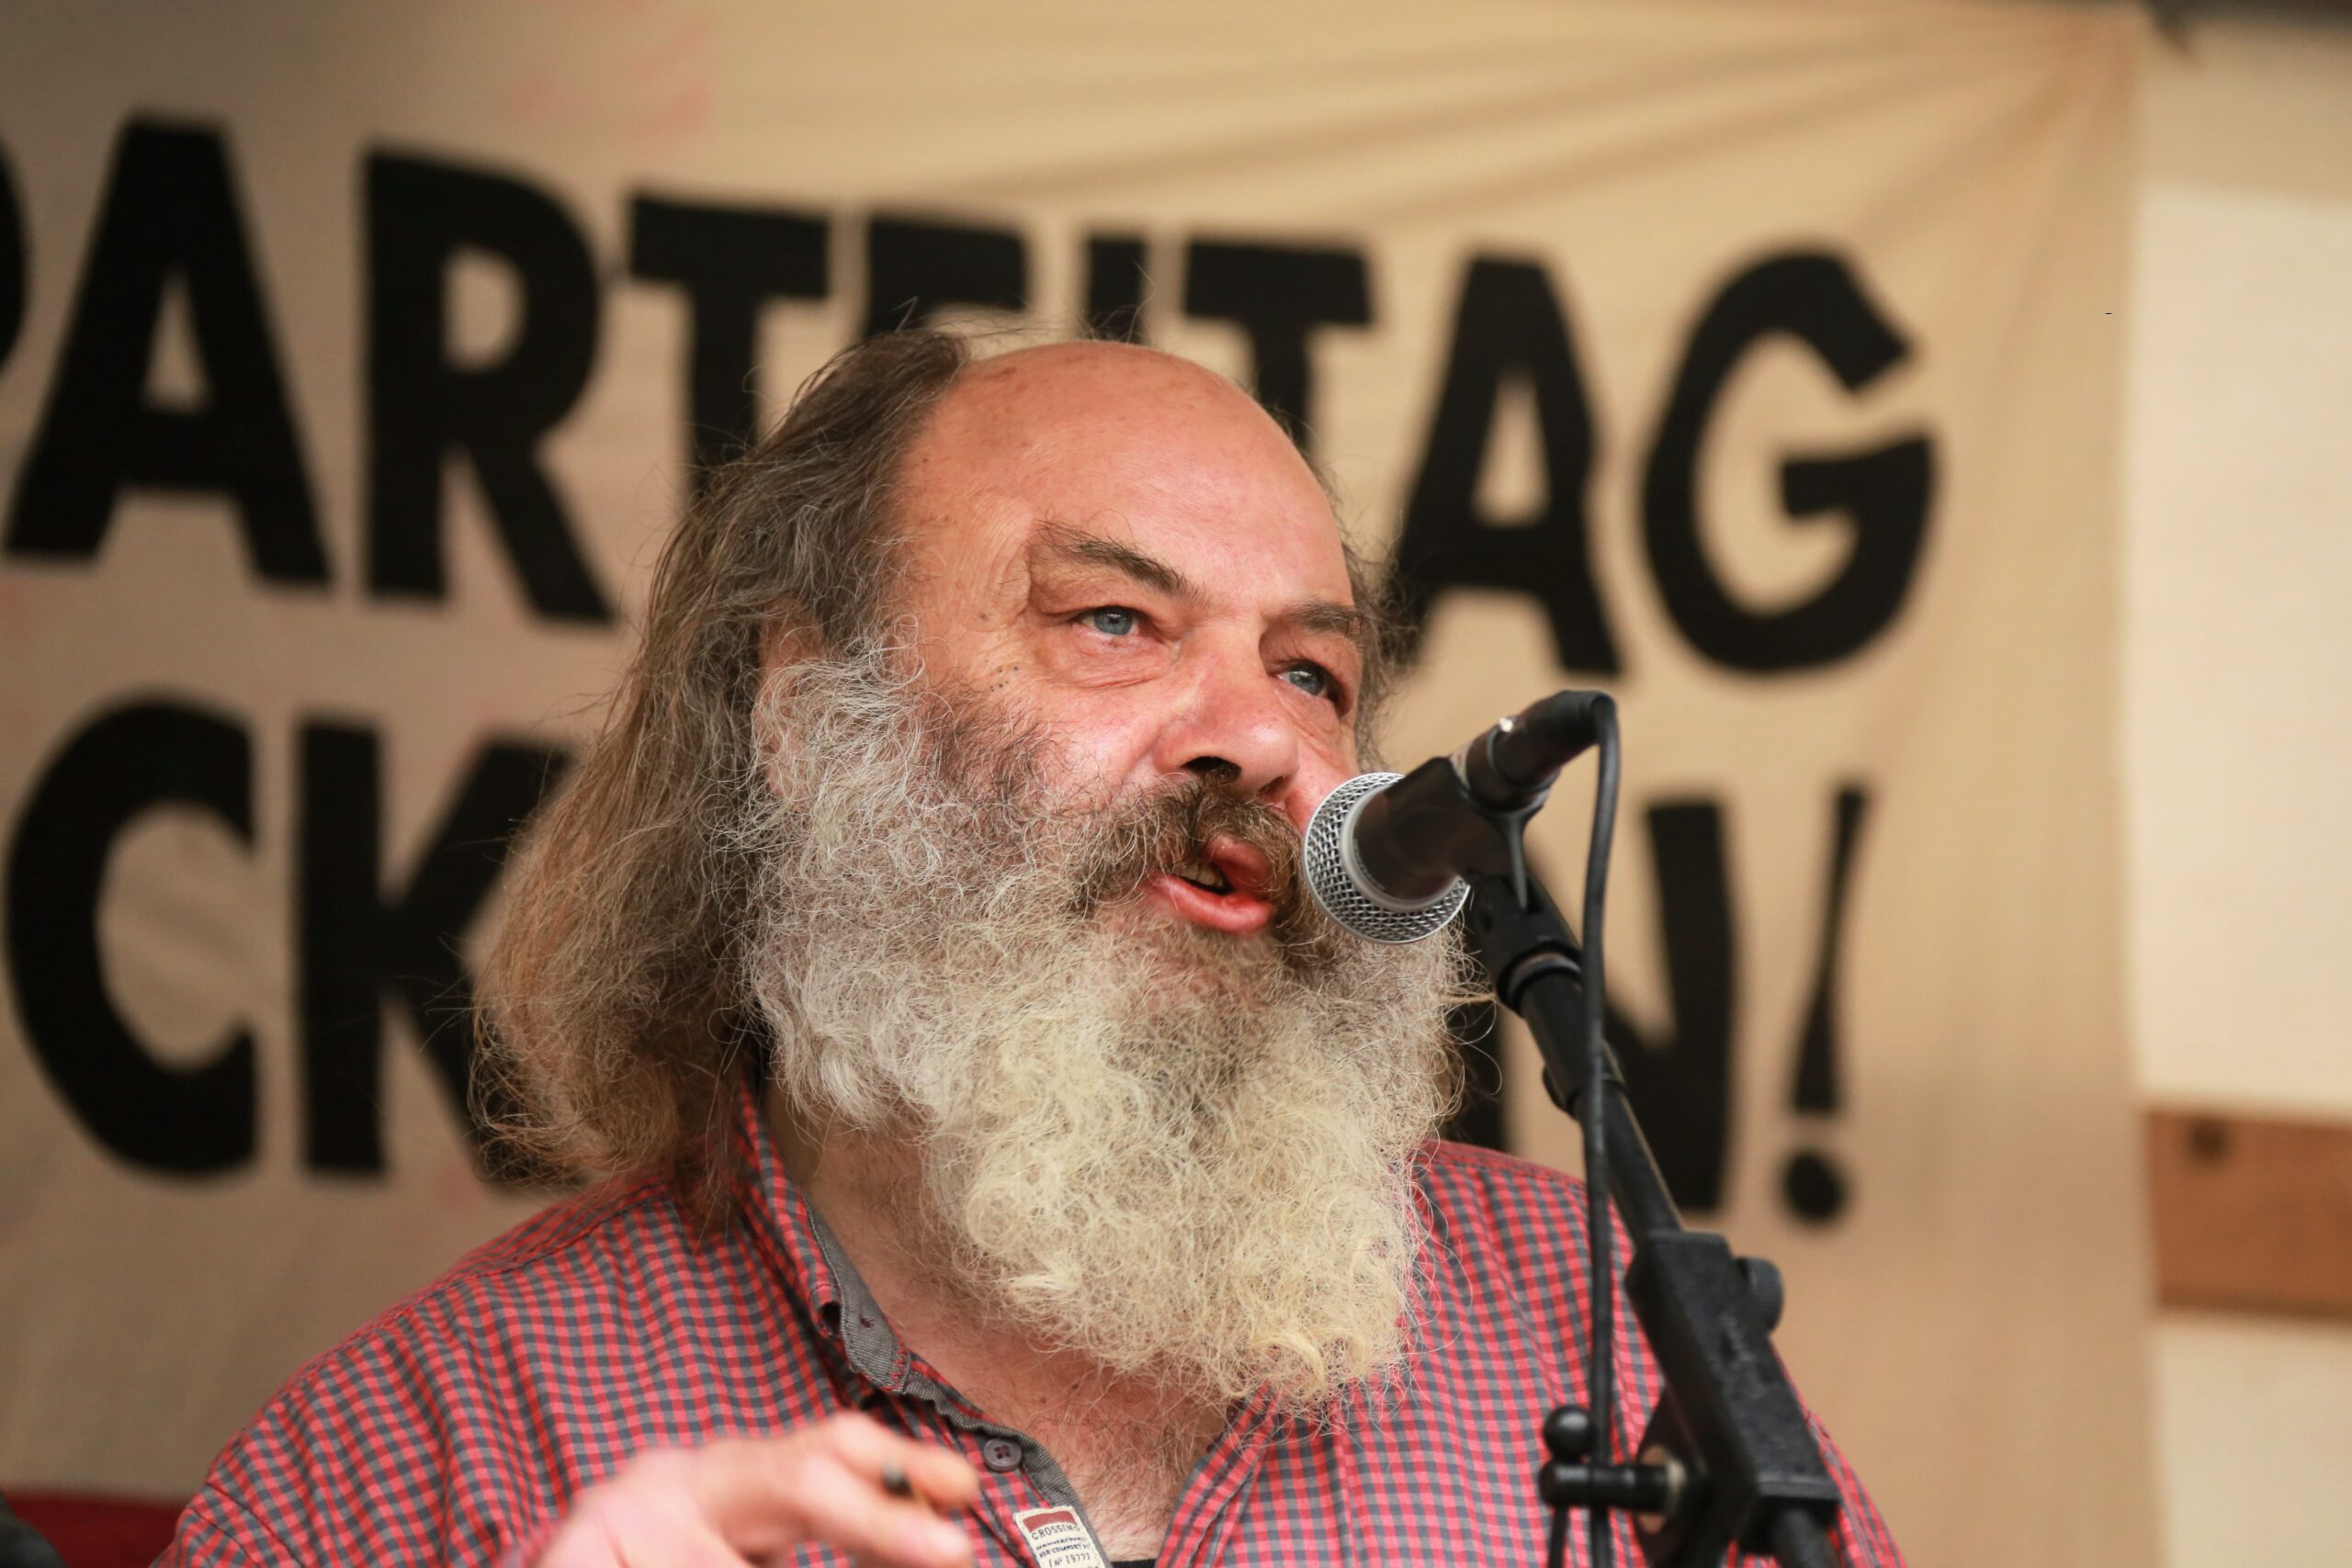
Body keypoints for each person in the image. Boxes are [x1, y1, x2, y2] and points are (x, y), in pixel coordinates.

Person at [159, 331, 1902, 1567]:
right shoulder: (417, 1454)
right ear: (806, 716)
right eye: (1115, 623)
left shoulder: (1589, 1328)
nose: (1262, 740)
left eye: (1313, 668)